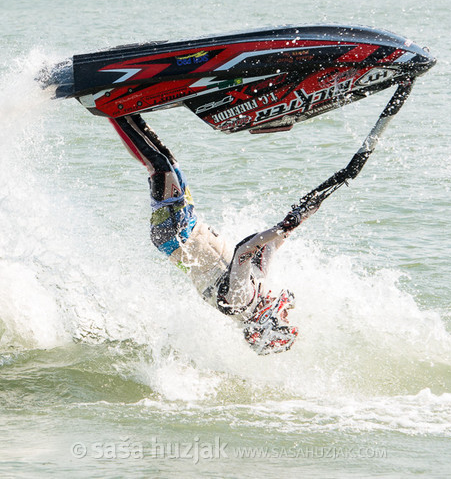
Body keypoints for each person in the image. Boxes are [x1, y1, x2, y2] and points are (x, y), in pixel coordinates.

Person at [109, 115, 318, 354]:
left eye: (283, 317)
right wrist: (305, 212)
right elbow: (272, 244)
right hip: (188, 223)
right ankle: (127, 110)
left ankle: (112, 111)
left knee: (159, 166)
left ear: (266, 323)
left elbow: (244, 251)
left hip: (175, 233)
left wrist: (280, 228)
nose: (284, 312)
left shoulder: (238, 301)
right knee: (168, 161)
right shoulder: (256, 285)